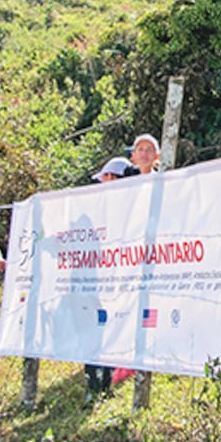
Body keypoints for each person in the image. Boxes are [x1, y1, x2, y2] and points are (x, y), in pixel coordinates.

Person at [83, 156, 133, 400]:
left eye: (103, 177)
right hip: (98, 276)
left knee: (110, 323)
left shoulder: (130, 205)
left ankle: (106, 378)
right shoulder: (96, 206)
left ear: (112, 177)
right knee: (97, 325)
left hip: (116, 276)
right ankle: (95, 380)